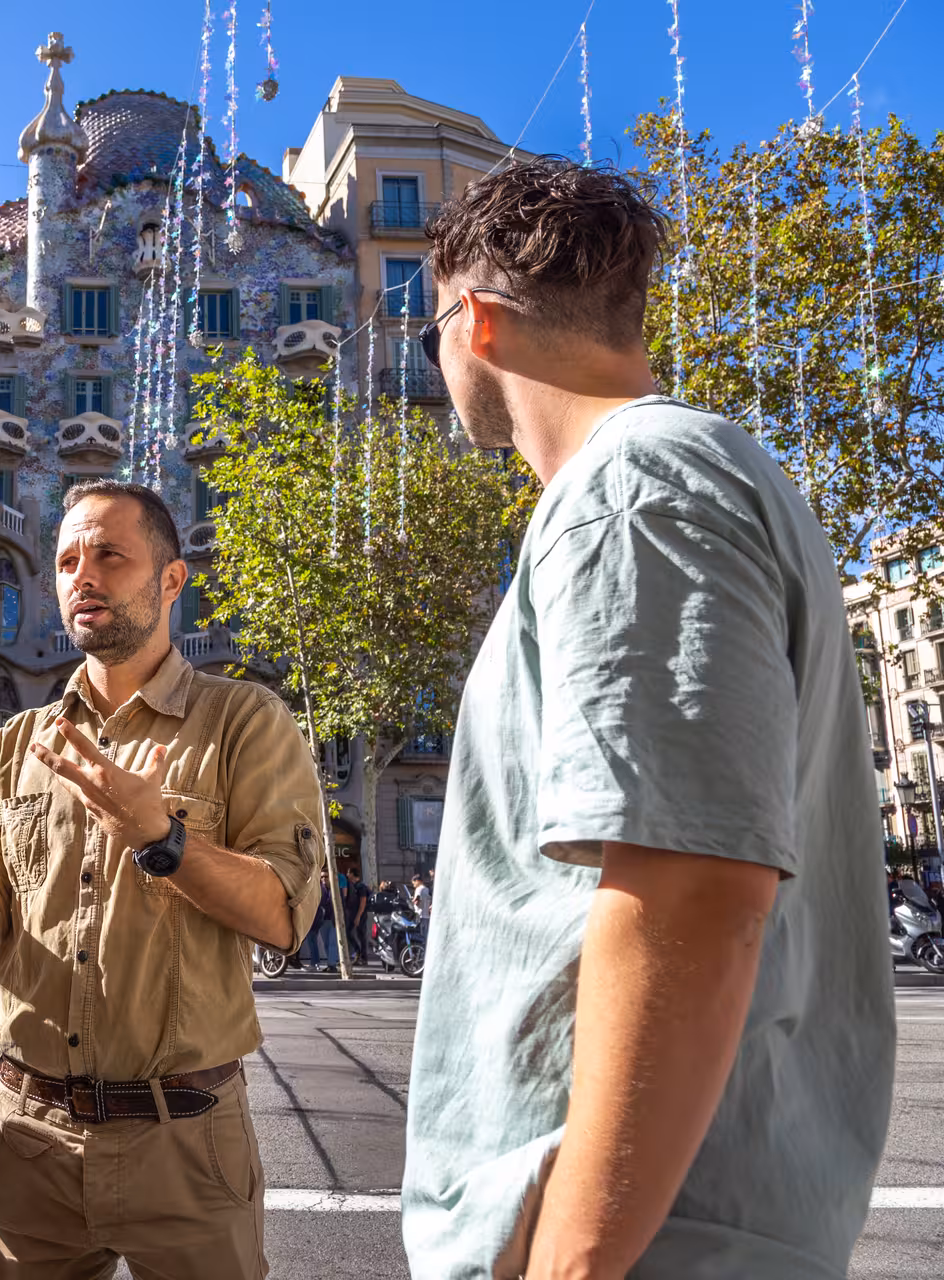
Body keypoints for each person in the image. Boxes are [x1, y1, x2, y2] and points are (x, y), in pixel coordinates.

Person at [402, 157, 894, 1279]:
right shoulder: (673, 477)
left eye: (427, 328)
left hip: (644, 1244)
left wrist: (572, 1264)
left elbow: (692, 891)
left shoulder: (635, 490)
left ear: (473, 322)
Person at [0, 479, 322, 1279]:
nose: (82, 575)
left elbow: (283, 913)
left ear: (170, 580)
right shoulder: (20, 740)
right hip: (29, 1138)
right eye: (66, 560)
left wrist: (160, 835)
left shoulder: (245, 720)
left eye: (109, 555)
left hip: (185, 1140)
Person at [343, 870, 371, 965]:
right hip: (354, 914)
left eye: (348, 872)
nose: (347, 874)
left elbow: (363, 902)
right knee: (349, 933)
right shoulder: (354, 886)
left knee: (361, 936)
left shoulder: (361, 886)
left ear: (352, 874)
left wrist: (358, 916)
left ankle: (363, 957)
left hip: (360, 915)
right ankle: (358, 953)